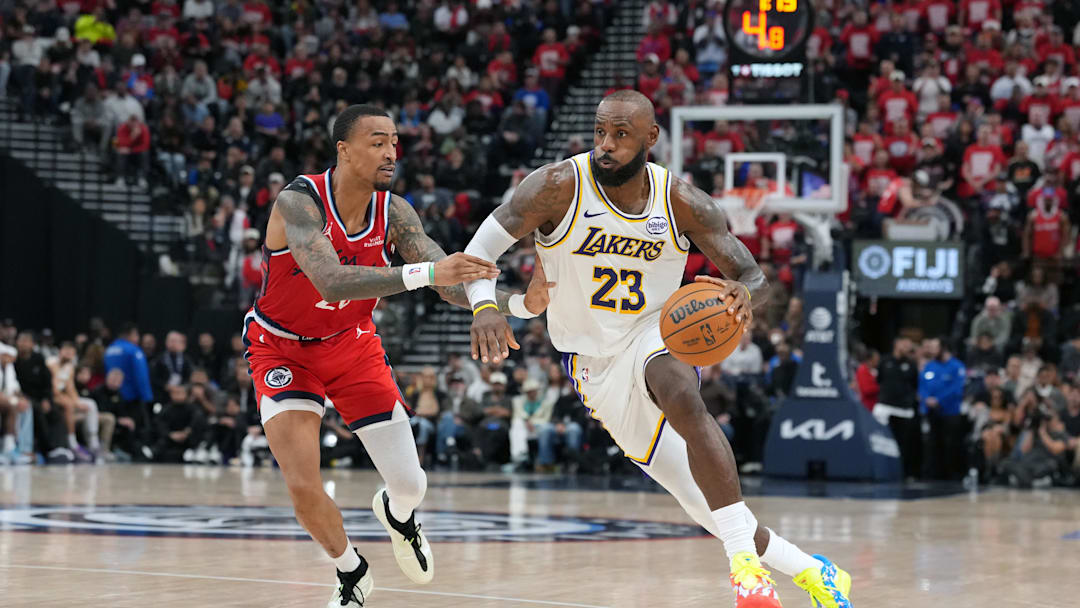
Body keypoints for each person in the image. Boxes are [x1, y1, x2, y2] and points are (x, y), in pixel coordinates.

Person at [462, 91, 852, 608]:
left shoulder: (683, 202)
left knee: (682, 394)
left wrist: (743, 294)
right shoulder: (556, 186)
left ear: (650, 139)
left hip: (656, 331)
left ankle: (746, 574)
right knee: (703, 503)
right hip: (592, 361)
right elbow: (477, 253)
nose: (606, 145)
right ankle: (815, 571)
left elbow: (752, 274)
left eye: (621, 135)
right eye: (600, 131)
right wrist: (487, 307)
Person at [246, 104, 552, 607]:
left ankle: (398, 513)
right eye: (377, 141)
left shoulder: (395, 212)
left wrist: (514, 304)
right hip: (281, 347)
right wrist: (431, 275)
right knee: (302, 485)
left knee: (411, 484)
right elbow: (331, 278)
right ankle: (351, 571)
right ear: (343, 150)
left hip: (352, 346)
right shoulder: (299, 202)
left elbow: (444, 274)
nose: (391, 152)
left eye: (393, 141)